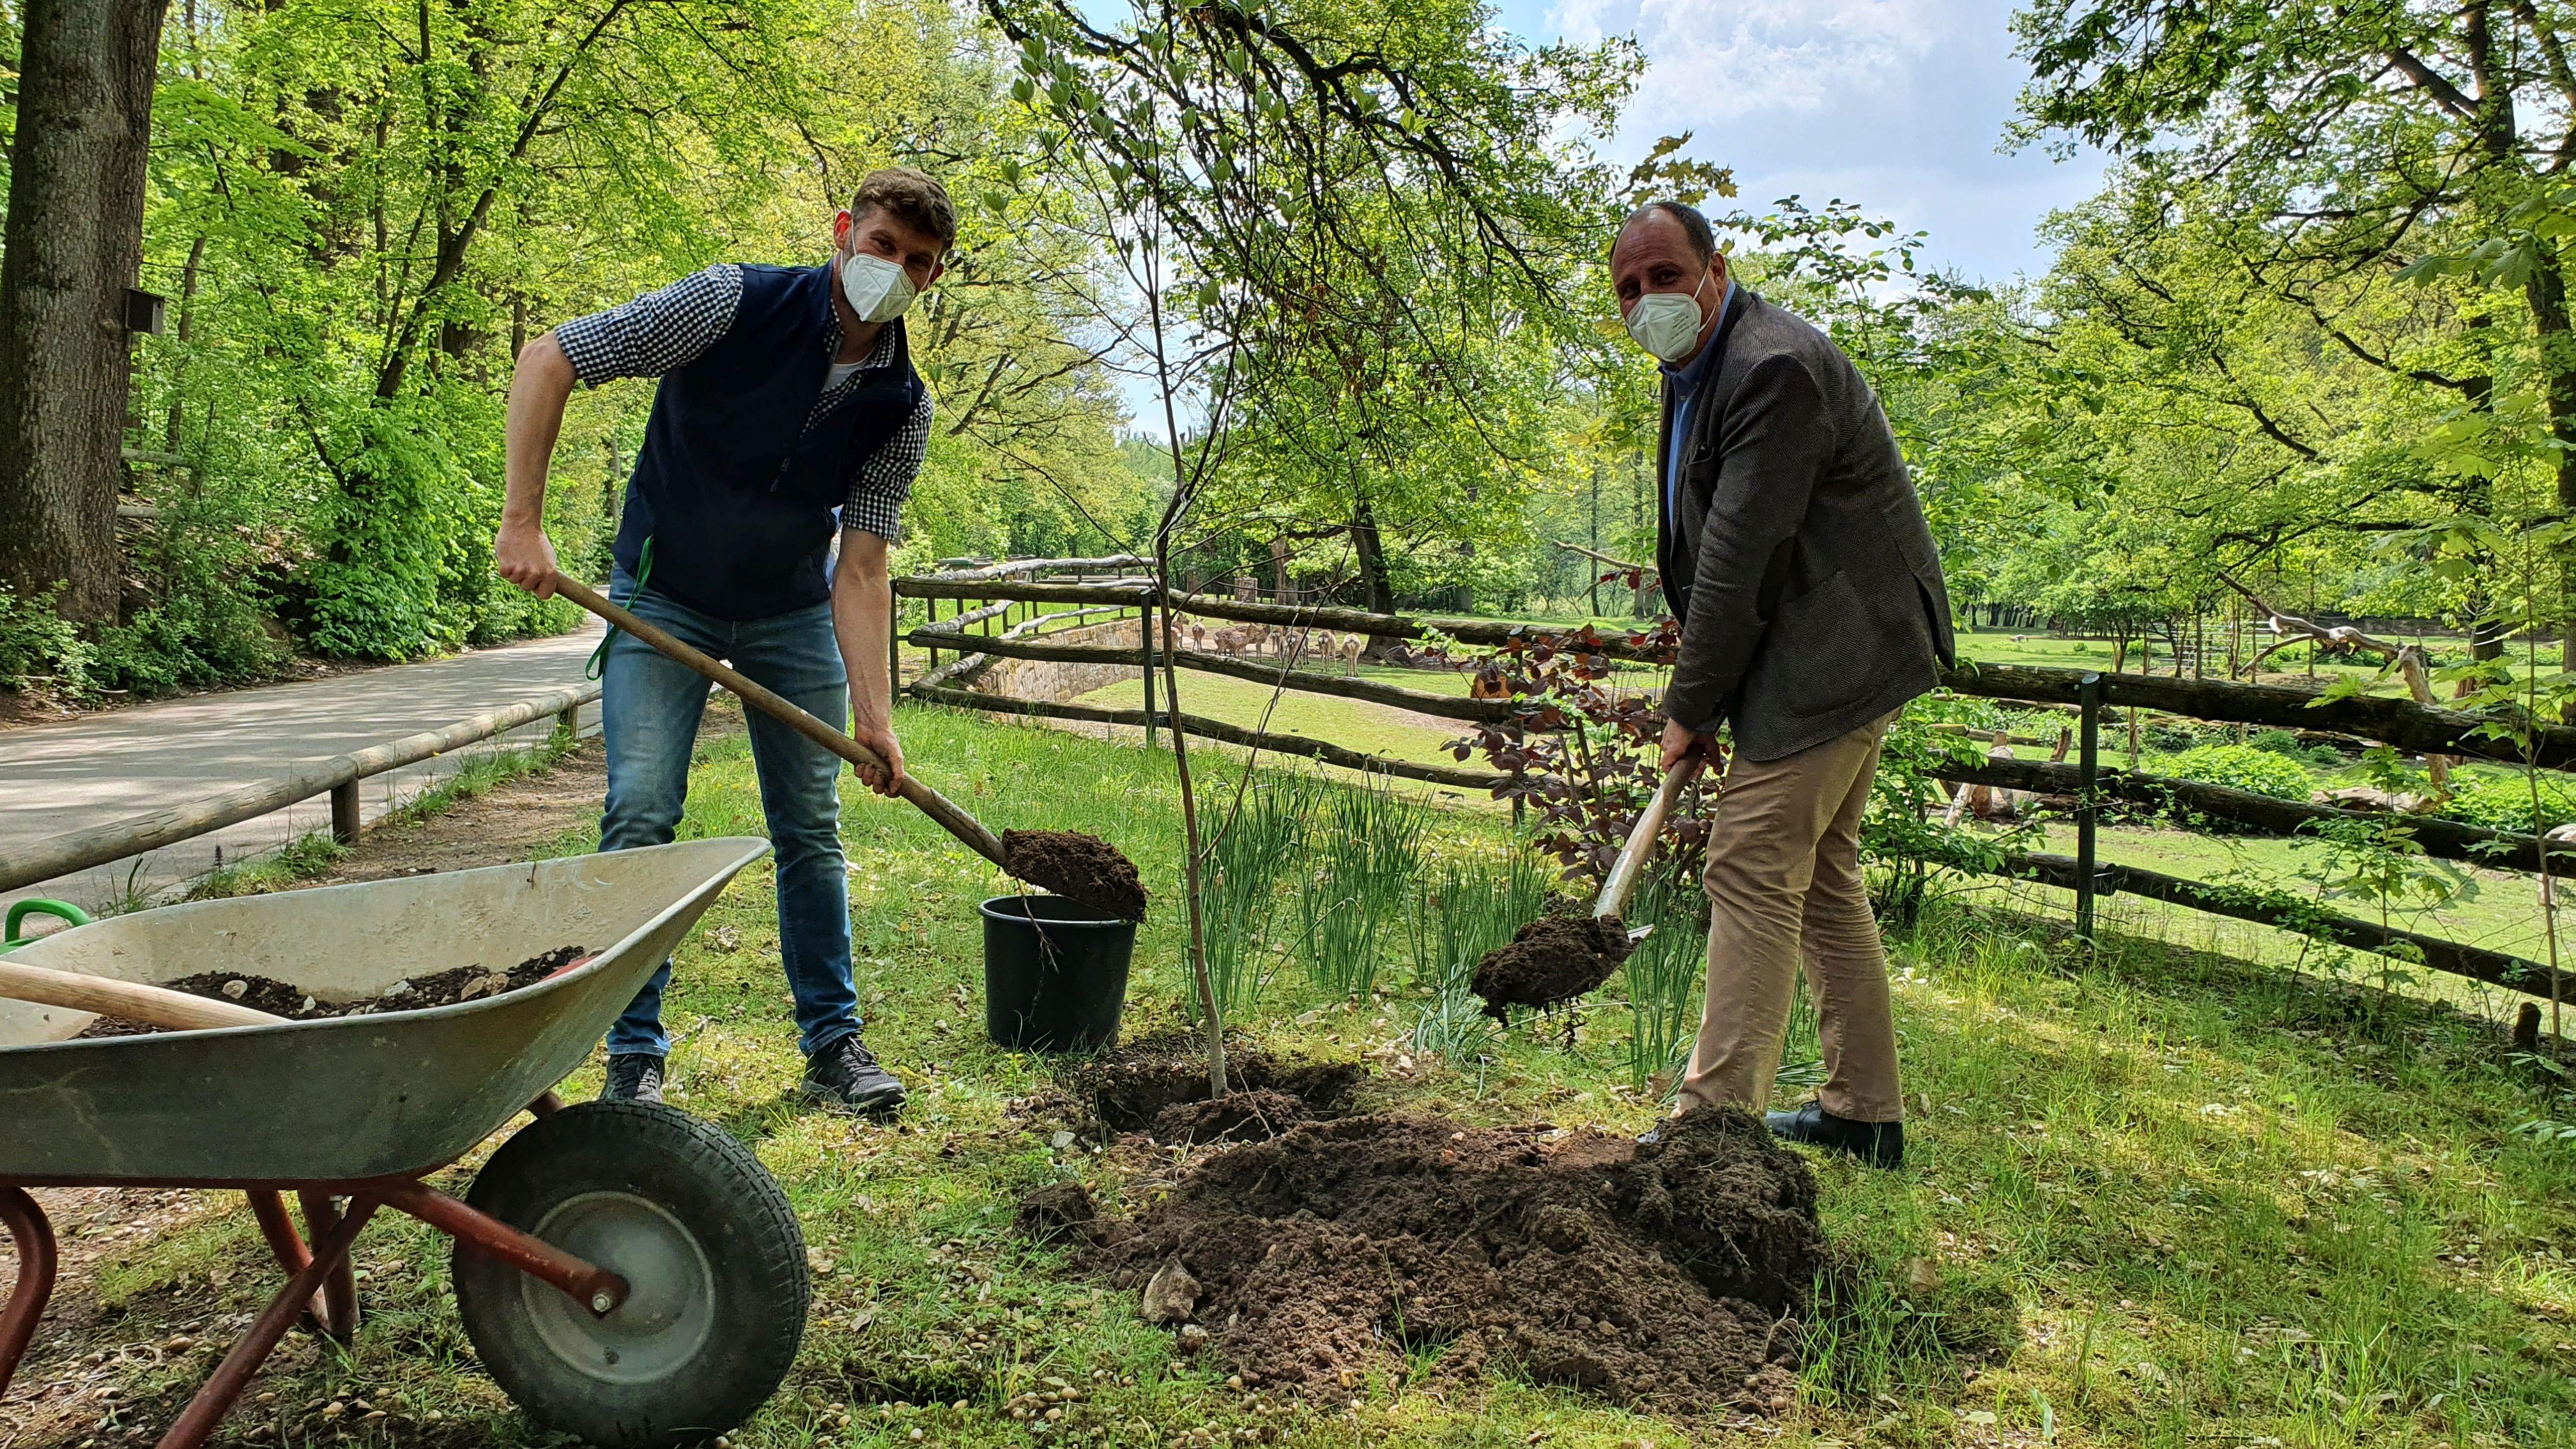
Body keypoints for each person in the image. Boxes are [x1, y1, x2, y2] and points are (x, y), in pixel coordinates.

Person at [493, 167, 954, 1116]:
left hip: (788, 611)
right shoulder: (730, 302)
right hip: (663, 598)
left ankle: (834, 1045)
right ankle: (633, 1054)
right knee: (641, 811)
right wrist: (523, 520)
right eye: (882, 247)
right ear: (843, 232)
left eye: (918, 263)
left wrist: (877, 718)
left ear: (933, 281)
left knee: (811, 829)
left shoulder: (902, 407)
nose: (895, 271)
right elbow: (551, 357)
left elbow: (860, 569)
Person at [1611, 200, 1954, 1167]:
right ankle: (1864, 1116)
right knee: (1823, 879)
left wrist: (1690, 706)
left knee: (1750, 865)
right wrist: (1709, 695)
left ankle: (1711, 1132)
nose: (1648, 301)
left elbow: (1738, 561)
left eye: (1665, 276)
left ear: (1717, 272)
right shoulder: (1696, 369)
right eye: (1629, 289)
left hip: (1834, 653)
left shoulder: (1772, 367)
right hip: (1818, 651)